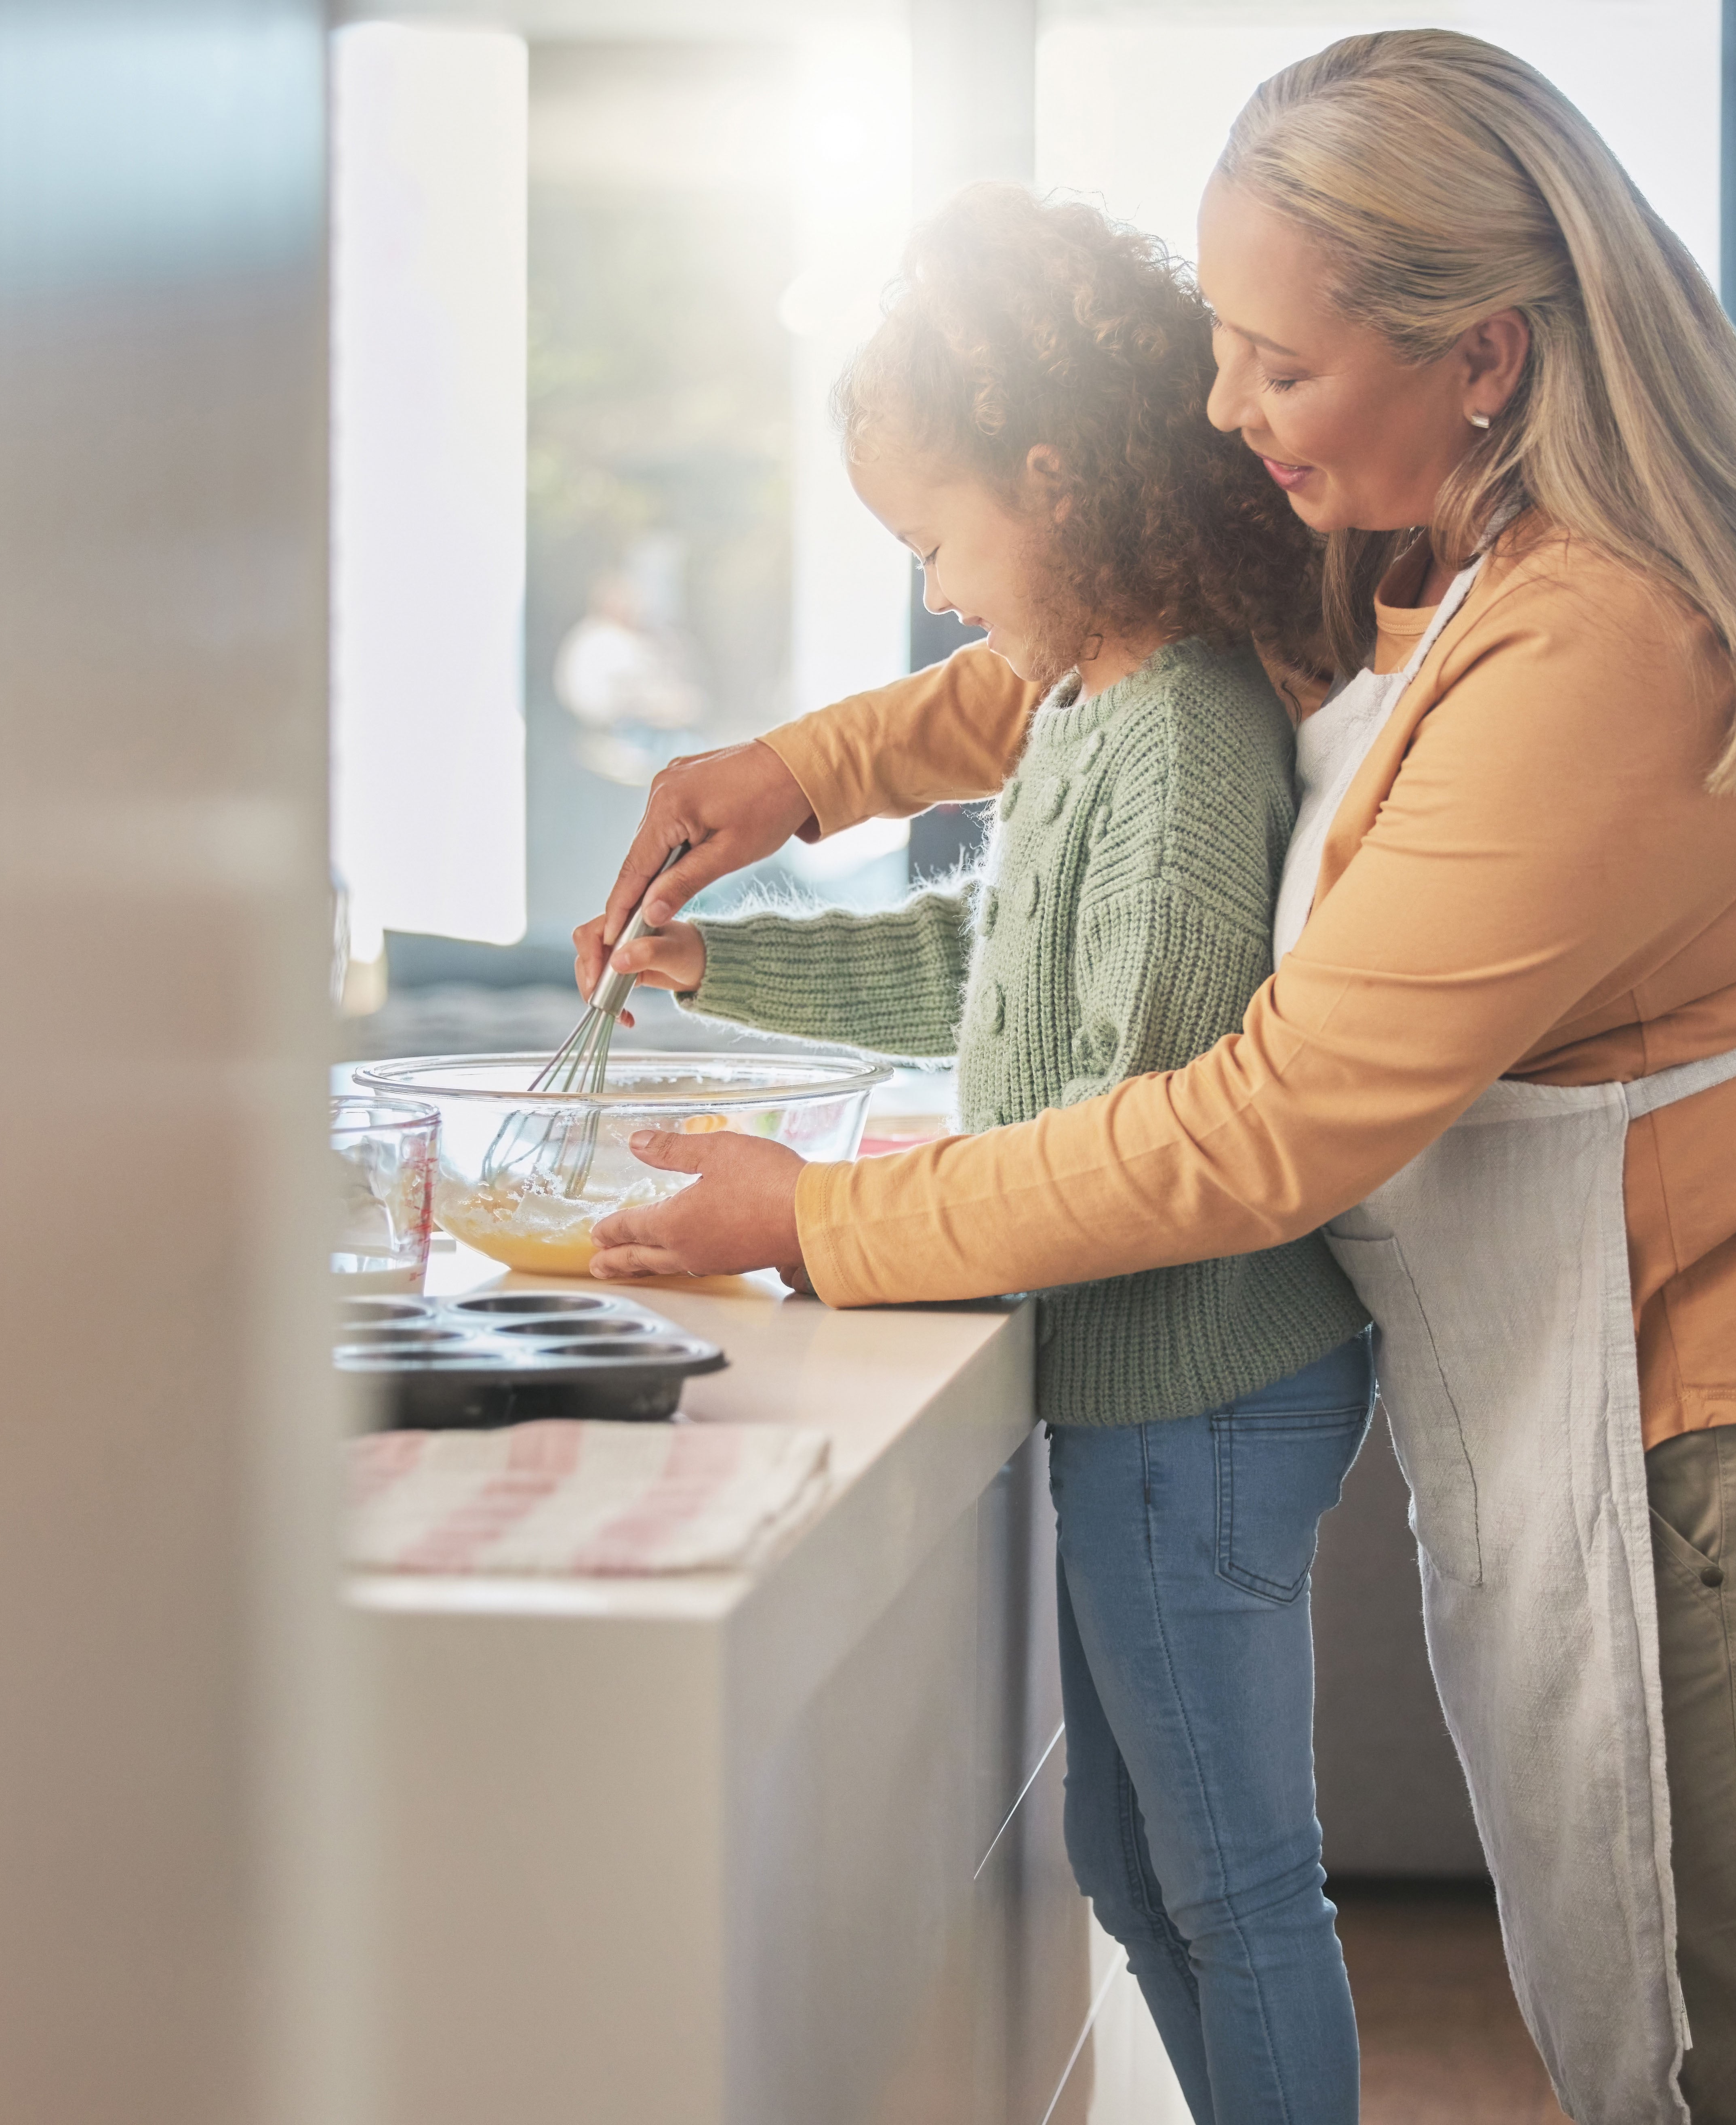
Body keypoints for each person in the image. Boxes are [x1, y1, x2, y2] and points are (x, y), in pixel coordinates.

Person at [577, 32, 1736, 2125]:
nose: (1218, 405)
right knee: (1652, 2024)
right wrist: (801, 773)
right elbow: (1108, 637)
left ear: (1485, 350)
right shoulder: (1449, 512)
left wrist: (818, 1220)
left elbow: (1269, 1116)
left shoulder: (1612, 630)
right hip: (1639, 1345)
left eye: (1274, 359)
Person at [604, 185, 1376, 2125]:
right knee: (1134, 1871)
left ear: (1051, 486)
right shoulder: (1088, 707)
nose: (940, 591)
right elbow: (985, 956)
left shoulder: (1183, 725)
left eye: (939, 539)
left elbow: (1130, 1113)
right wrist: (729, 961)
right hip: (1141, 1390)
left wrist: (814, 1228)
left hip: (1200, 1393)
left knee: (1230, 1884)